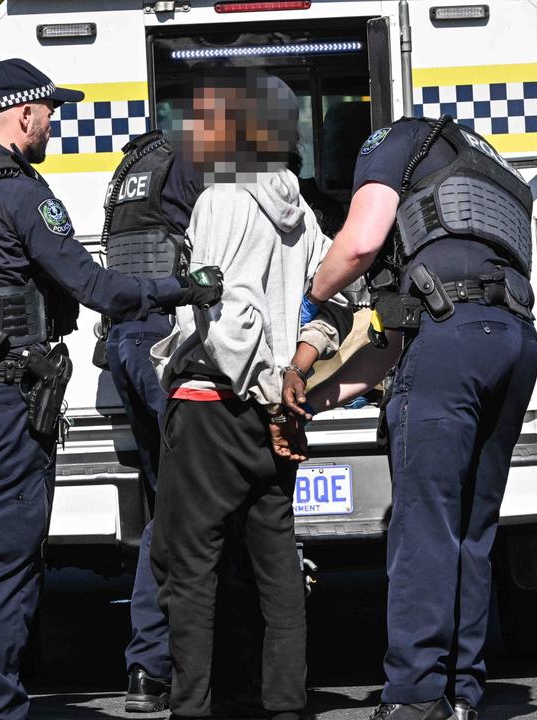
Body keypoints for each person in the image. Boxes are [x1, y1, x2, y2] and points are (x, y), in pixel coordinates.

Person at [0, 58, 222, 720]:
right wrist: (184, 286)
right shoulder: (19, 194)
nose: (53, 123)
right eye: (49, 112)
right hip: (4, 411)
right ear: (22, 115)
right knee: (4, 572)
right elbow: (98, 289)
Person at [298, 116, 537, 720]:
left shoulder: (391, 142)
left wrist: (314, 290)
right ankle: (461, 691)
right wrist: (321, 398)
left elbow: (357, 243)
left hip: (452, 340)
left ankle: (413, 696)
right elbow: (404, 336)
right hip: (513, 338)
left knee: (425, 526)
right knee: (472, 528)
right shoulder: (491, 169)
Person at [148, 71, 351, 720]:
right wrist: (298, 367)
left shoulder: (222, 200)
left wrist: (267, 394)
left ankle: (193, 708)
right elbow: (336, 295)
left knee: (190, 574)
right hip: (275, 416)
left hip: (215, 407)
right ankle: (286, 707)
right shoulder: (303, 211)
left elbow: (229, 320)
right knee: (278, 573)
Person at [96, 128, 203, 713]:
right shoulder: (192, 164)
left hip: (128, 343)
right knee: (192, 508)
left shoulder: (137, 166)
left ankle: (148, 667)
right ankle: (188, 664)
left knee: (168, 508)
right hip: (166, 347)